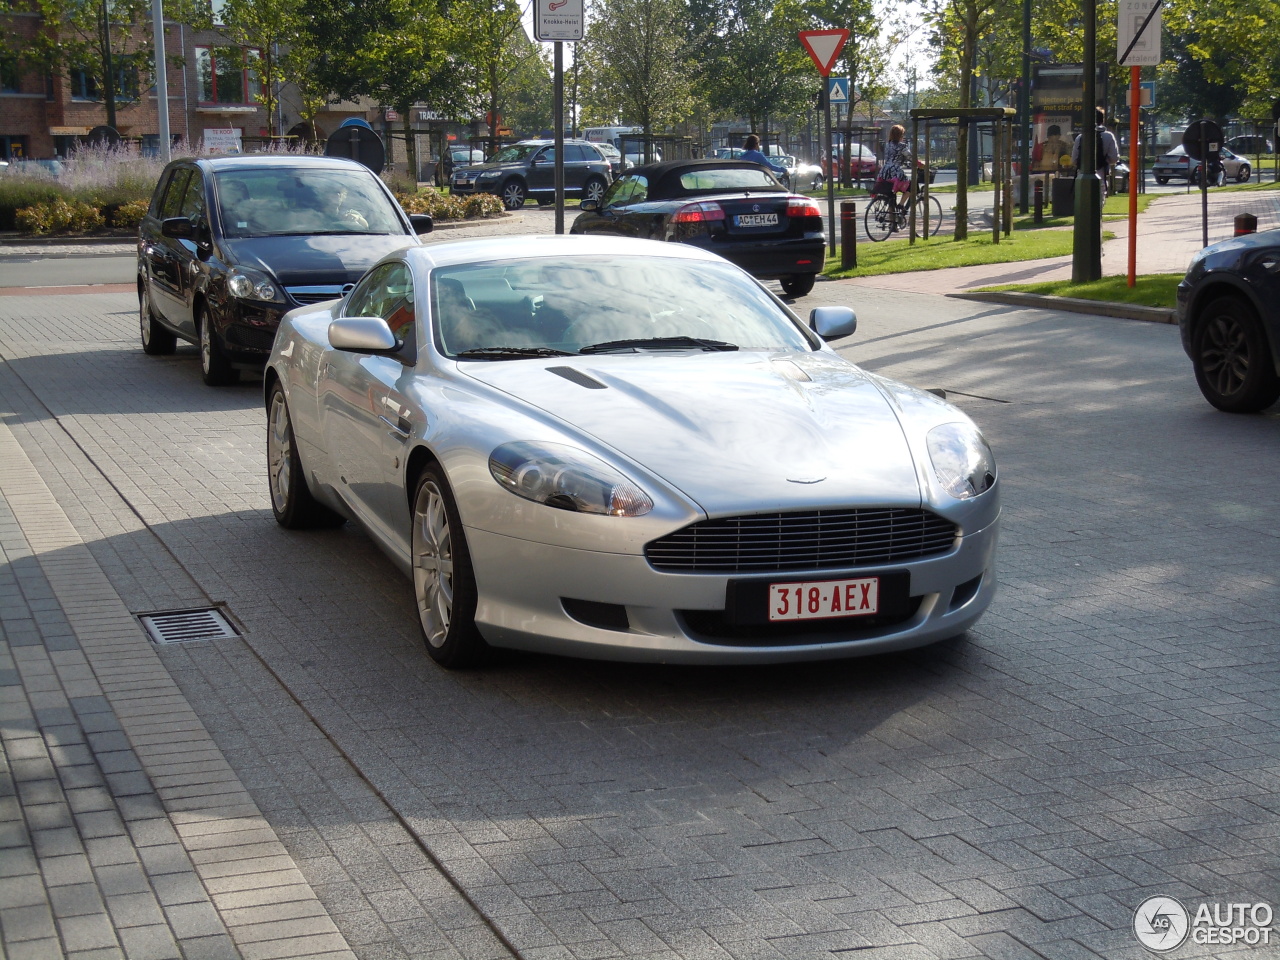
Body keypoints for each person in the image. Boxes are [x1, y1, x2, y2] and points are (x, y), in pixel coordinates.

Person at [1071, 107, 1120, 199]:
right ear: (1102, 120)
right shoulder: (1108, 136)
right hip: (1101, 176)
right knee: (1098, 203)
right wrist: (1104, 161)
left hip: (1082, 178)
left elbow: (1074, 160)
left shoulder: (1080, 137)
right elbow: (1114, 158)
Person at [876, 125, 912, 200]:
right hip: (895, 172)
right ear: (901, 135)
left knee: (890, 194)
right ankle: (901, 205)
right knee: (911, 187)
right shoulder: (902, 146)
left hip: (884, 172)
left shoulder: (887, 145)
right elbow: (910, 157)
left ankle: (890, 210)